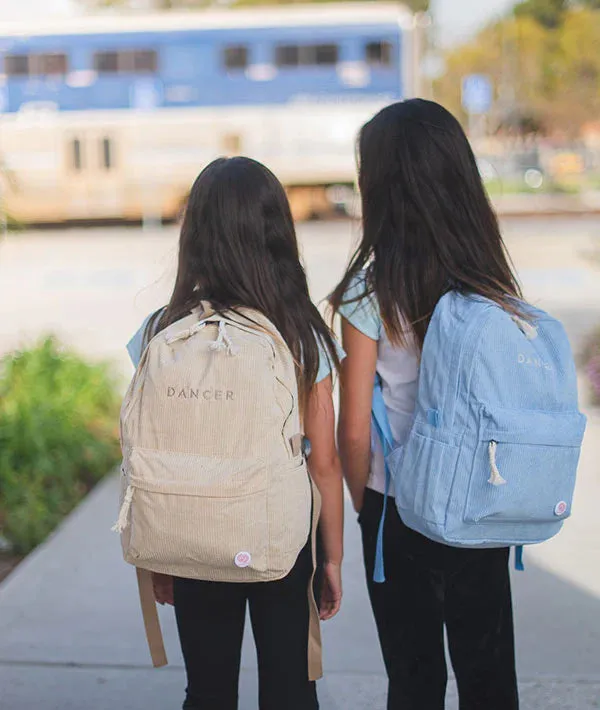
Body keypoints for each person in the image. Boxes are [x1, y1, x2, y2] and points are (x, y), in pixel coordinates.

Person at [126, 156, 344, 710]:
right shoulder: (301, 331)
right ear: (276, 232)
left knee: (208, 689)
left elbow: (152, 446)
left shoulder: (162, 330)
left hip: (196, 531)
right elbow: (324, 463)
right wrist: (332, 559)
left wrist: (160, 553)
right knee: (291, 687)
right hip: (283, 537)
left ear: (195, 233)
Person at [331, 99, 520, 710]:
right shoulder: (489, 278)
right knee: (489, 676)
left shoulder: (369, 290)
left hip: (398, 507)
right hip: (478, 500)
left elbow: (354, 430)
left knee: (413, 678)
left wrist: (363, 505)